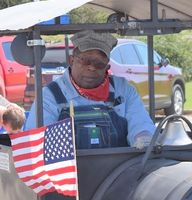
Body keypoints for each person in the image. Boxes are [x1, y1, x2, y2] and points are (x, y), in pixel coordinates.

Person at [26, 30, 155, 149]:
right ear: (71, 60)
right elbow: (38, 143)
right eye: (86, 61)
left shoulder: (123, 90)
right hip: (71, 171)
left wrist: (143, 139)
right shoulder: (50, 96)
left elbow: (141, 125)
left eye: (99, 64)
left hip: (120, 169)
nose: (92, 68)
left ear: (107, 67)